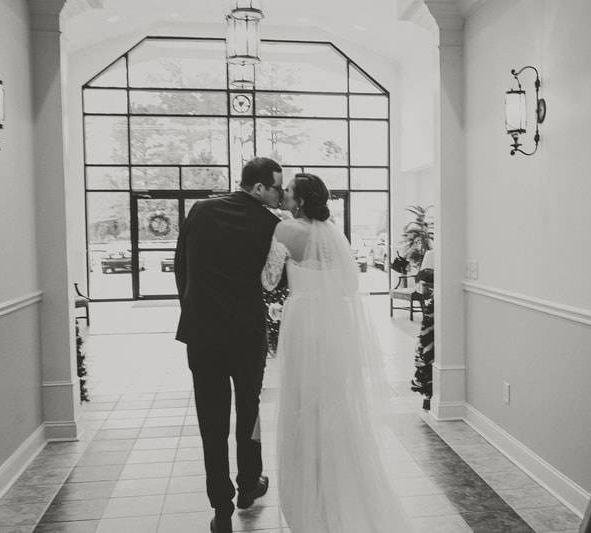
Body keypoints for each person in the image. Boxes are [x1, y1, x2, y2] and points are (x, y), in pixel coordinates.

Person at [261, 173, 414, 532]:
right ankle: (338, 479)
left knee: (302, 402)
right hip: (332, 323)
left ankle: (309, 490)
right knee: (332, 400)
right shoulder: (332, 233)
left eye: (288, 191)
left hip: (303, 323)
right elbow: (349, 284)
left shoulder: (285, 230)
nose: (283, 194)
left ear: (299, 200)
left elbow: (268, 280)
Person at [174, 157, 283, 533]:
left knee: (211, 418)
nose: (280, 194)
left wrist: (192, 308)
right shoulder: (270, 224)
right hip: (246, 333)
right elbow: (272, 280)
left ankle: (220, 504)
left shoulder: (201, 210)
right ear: (258, 188)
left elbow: (181, 265)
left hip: (202, 332)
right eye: (276, 187)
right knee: (248, 409)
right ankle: (249, 485)